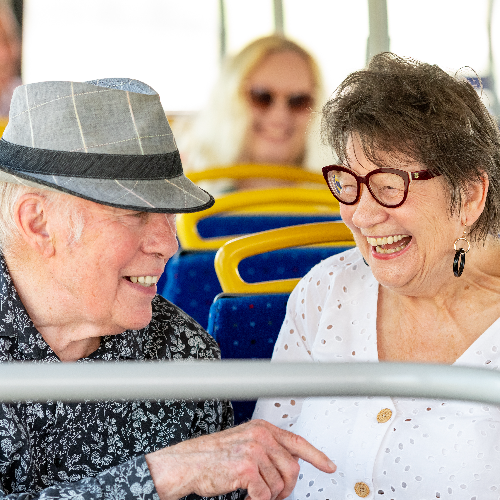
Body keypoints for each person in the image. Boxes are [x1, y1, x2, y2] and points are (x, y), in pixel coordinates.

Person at [0, 78, 336, 499]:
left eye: (169, 216)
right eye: (135, 213)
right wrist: (159, 475)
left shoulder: (182, 354)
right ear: (38, 222)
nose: (169, 244)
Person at [253, 52, 500, 498]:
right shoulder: (327, 290)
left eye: (389, 187)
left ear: (469, 195)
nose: (362, 216)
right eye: (348, 183)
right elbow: (265, 465)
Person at [177, 35, 332, 193]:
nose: (279, 115)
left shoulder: (342, 199)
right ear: (228, 99)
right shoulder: (182, 186)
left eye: (298, 101)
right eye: (261, 97)